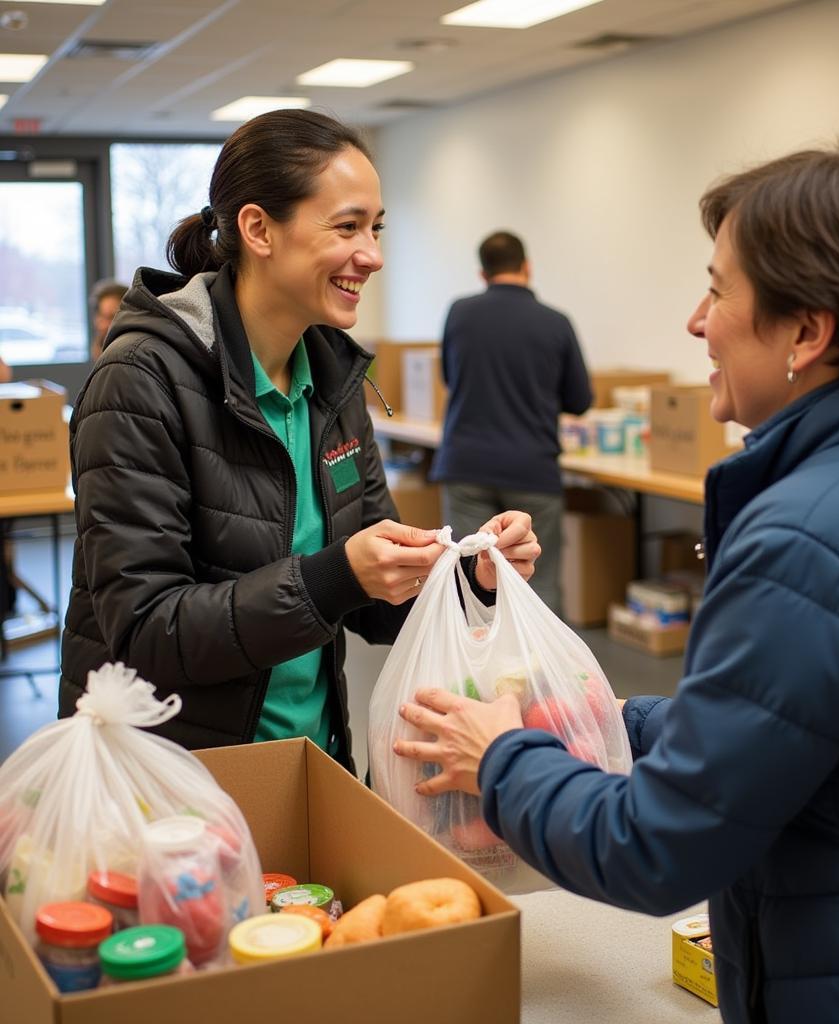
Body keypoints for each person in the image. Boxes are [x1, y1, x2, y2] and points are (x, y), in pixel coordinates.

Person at [395, 135, 839, 1022]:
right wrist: (613, 723)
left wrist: (501, 758)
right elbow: (823, 729)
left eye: (719, 290)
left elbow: (656, 849)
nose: (697, 321)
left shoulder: (810, 535)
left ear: (808, 331)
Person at [58, 109, 539, 770]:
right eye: (347, 226)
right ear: (258, 229)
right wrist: (335, 576)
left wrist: (471, 578)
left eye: (375, 227)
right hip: (176, 781)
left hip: (309, 758)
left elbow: (374, 592)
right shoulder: (141, 381)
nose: (371, 254)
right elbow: (146, 633)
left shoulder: (332, 380)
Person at [429, 231, 592, 616]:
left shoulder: (459, 313)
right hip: (531, 469)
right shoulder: (555, 322)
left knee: (469, 575)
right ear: (527, 267)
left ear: (482, 274)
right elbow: (580, 401)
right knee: (538, 579)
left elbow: (450, 378)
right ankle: (540, 674)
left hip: (466, 464)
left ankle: (472, 672)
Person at [88, 278, 128, 361]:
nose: (102, 325)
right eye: (101, 316)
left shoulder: (133, 357)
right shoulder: (100, 348)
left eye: (111, 317)